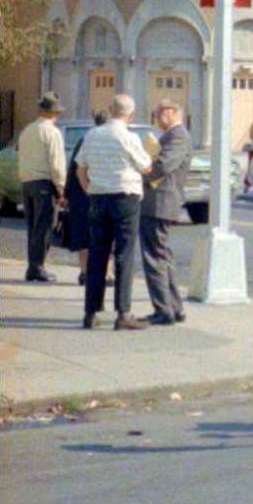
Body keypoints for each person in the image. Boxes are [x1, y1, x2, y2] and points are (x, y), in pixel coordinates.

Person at [77, 94, 153, 331]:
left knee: (97, 254)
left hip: (98, 196)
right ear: (131, 113)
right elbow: (146, 166)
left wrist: (90, 190)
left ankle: (91, 312)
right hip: (125, 196)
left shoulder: (93, 134)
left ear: (110, 109)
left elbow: (81, 168)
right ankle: (123, 312)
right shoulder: (129, 137)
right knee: (124, 254)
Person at [139, 100, 192, 326]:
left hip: (160, 203)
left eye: (157, 113)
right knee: (163, 256)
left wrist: (140, 171)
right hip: (159, 202)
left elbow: (163, 165)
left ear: (171, 112)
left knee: (154, 257)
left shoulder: (178, 135)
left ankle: (163, 310)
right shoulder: (171, 135)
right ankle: (174, 307)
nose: (155, 118)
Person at [16, 92, 68, 282]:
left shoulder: (27, 130)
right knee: (45, 226)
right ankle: (38, 267)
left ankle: (33, 266)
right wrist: (61, 187)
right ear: (55, 113)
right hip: (44, 183)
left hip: (27, 182)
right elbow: (56, 163)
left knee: (32, 227)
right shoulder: (52, 132)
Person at [64, 112, 109, 285]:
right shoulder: (103, 141)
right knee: (104, 233)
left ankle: (84, 272)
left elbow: (72, 168)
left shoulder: (85, 140)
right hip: (98, 193)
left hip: (81, 194)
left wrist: (67, 194)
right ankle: (107, 273)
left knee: (83, 234)